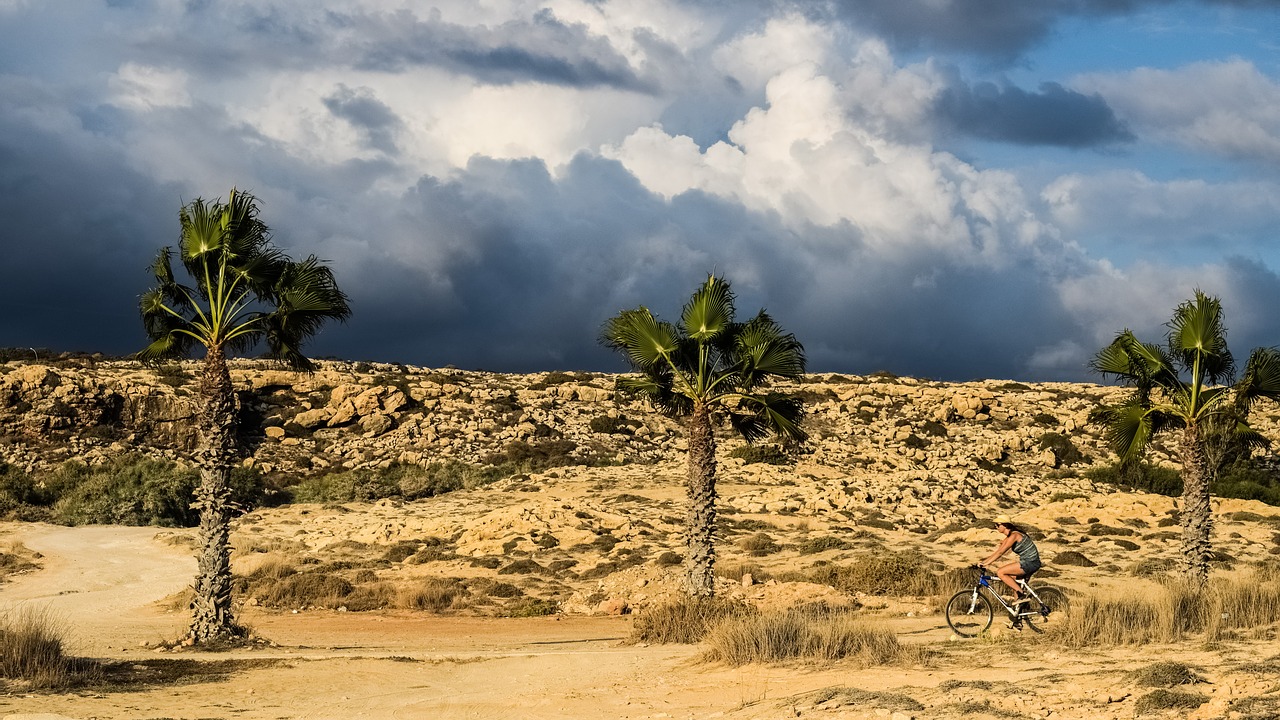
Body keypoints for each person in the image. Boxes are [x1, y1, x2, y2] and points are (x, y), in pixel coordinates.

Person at [978, 514, 1042, 617]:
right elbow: (999, 551)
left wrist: (986, 563)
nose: (996, 527)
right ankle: (1018, 617)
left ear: (1004, 525)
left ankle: (1022, 595)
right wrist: (984, 562)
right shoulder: (1010, 537)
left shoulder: (1014, 535)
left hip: (1030, 563)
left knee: (1000, 572)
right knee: (1013, 582)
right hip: (1029, 562)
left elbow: (1000, 553)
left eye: (997, 525)